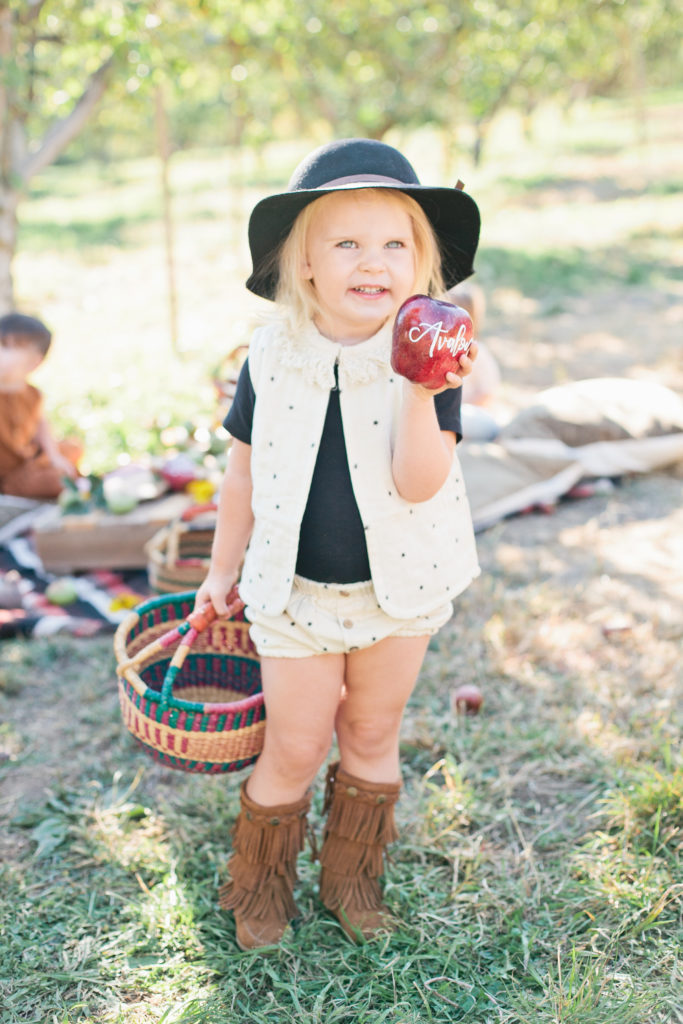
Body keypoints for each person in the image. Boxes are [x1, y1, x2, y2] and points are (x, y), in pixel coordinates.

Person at [196, 138, 481, 950]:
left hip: (401, 588)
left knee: (369, 735)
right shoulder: (270, 353)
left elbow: (421, 481)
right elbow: (242, 474)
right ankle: (259, 882)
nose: (373, 261)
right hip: (294, 594)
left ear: (420, 261)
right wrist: (223, 570)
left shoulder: (431, 350)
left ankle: (352, 878)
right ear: (306, 263)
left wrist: (423, 385)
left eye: (395, 243)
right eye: (346, 243)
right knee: (293, 743)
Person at [0, 313, 80, 499]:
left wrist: (54, 456)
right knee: (56, 481)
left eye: (5, 346)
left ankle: (59, 472)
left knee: (72, 447)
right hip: (8, 473)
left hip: (28, 459)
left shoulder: (32, 394)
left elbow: (40, 424)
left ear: (34, 362)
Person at [446, 282, 502, 441]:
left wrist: (453, 406)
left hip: (477, 414)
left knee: (453, 418)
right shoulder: (441, 352)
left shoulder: (478, 351)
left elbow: (486, 394)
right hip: (454, 414)